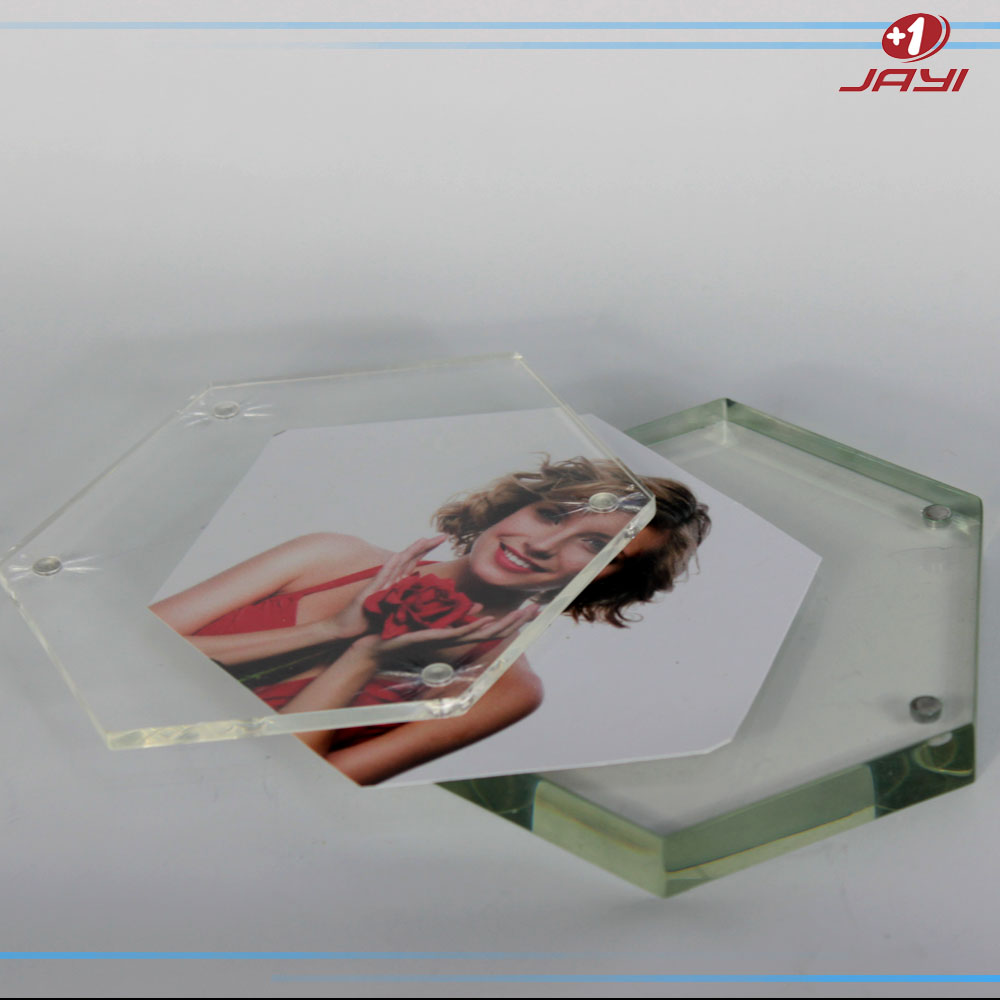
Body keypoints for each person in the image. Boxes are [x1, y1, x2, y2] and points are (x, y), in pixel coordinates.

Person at [150, 457, 710, 784]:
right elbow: (122, 647)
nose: (542, 545)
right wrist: (328, 630)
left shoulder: (504, 691)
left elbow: (286, 784)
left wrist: (363, 657)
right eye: (550, 514)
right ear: (515, 506)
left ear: (609, 581)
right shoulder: (327, 556)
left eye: (593, 545)